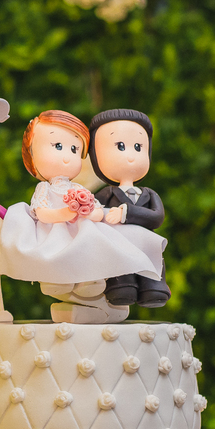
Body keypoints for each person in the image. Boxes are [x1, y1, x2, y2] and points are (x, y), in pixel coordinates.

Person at [0, 110, 165, 323]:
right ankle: (60, 281)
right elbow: (43, 214)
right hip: (56, 234)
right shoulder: (45, 189)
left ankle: (104, 284)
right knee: (62, 256)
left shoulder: (79, 187)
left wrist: (94, 212)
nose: (66, 156)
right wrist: (66, 213)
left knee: (103, 249)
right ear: (32, 153)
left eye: (74, 149)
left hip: (83, 233)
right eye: (57, 146)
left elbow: (97, 208)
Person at [89, 108, 171, 308]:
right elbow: (93, 214)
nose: (131, 155)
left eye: (137, 146)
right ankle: (121, 285)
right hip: (118, 249)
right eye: (120, 146)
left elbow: (157, 217)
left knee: (152, 268)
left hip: (146, 246)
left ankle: (153, 286)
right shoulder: (105, 194)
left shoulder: (149, 194)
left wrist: (126, 213)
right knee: (120, 274)